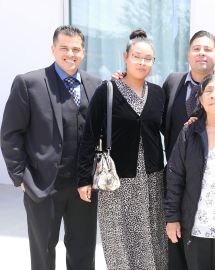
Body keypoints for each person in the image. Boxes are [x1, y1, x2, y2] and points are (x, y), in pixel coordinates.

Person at [0, 25, 100, 270]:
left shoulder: (96, 85)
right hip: (42, 185)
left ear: (83, 52)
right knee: (43, 253)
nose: (70, 54)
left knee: (83, 251)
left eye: (76, 49)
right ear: (53, 49)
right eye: (64, 48)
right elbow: (10, 134)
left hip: (83, 187)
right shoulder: (29, 83)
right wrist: (20, 176)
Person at [77, 29, 167, 269]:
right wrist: (83, 179)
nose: (142, 62)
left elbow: (170, 130)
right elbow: (89, 136)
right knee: (119, 240)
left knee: (152, 239)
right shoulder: (106, 91)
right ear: (125, 56)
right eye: (137, 56)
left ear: (153, 62)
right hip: (116, 182)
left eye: (148, 58)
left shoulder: (158, 94)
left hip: (152, 180)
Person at [160, 30, 215, 269]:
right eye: (209, 92)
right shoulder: (189, 131)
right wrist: (172, 217)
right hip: (193, 218)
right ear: (200, 97)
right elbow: (175, 175)